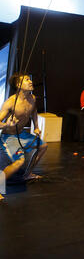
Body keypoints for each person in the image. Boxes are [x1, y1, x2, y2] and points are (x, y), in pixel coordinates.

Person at [0, 73, 48, 201]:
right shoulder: (10, 103)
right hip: (9, 136)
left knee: (43, 146)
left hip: (22, 134)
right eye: (26, 80)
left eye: (29, 79)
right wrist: (6, 125)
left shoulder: (32, 98)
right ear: (18, 85)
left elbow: (33, 112)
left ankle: (27, 174)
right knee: (18, 162)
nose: (30, 81)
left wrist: (36, 126)